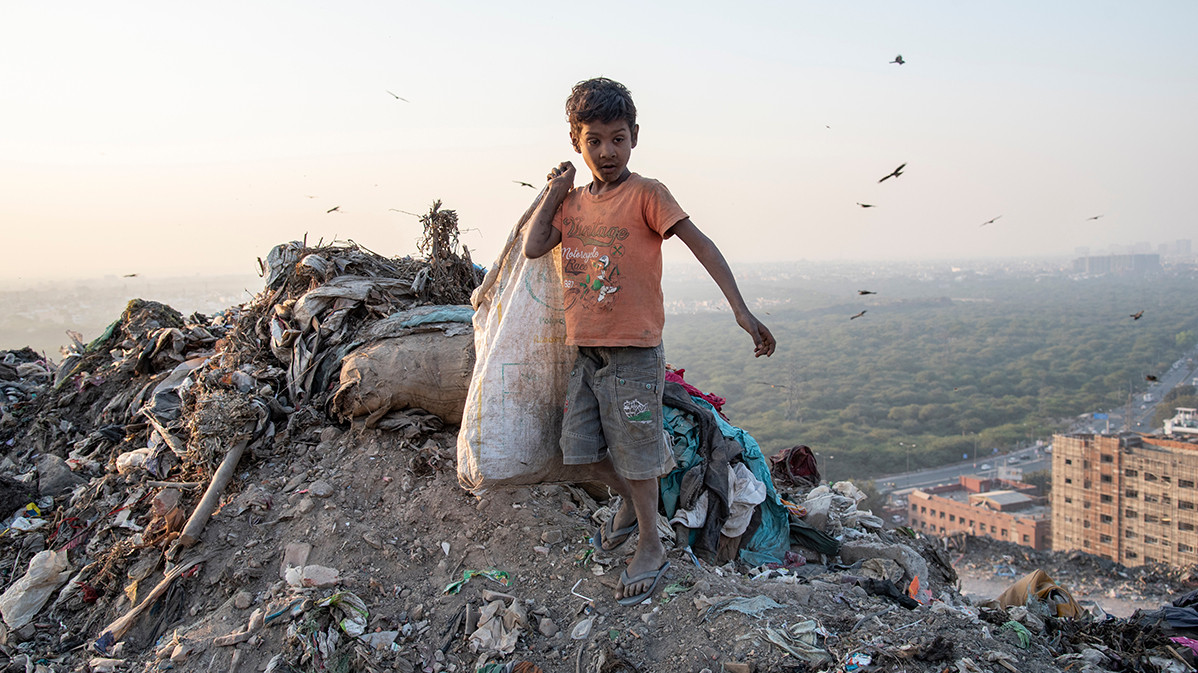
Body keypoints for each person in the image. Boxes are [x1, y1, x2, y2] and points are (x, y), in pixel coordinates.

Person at [523, 77, 775, 605]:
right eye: (594, 140)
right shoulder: (571, 204)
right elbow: (534, 246)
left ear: (635, 136)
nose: (607, 151)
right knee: (580, 451)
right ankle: (635, 506)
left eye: (617, 138)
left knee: (636, 455)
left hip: (635, 351)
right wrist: (554, 189)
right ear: (576, 142)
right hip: (587, 350)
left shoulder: (647, 195)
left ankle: (650, 543)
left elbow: (700, 243)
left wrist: (740, 309)